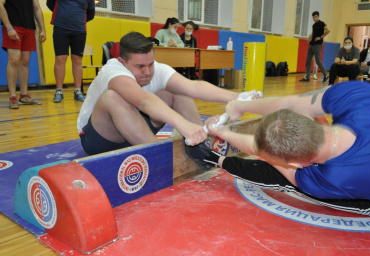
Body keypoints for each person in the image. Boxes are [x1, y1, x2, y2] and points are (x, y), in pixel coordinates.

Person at [198, 81, 370, 217]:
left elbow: (261, 151)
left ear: (298, 164)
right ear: (305, 118)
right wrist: (240, 107)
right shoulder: (357, 94)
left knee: (280, 176)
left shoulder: (333, 179)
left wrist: (223, 133)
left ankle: (214, 159)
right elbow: (289, 103)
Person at [77, 31, 259, 168]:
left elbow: (193, 86)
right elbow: (143, 101)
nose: (147, 72)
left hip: (134, 128)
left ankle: (200, 147)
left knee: (176, 91)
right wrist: (184, 125)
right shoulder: (114, 70)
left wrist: (237, 98)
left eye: (150, 64)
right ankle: (160, 156)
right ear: (123, 62)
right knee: (112, 98)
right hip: (100, 138)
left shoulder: (155, 69)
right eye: (140, 66)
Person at [46, 0, 96, 103]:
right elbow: (50, 4)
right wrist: (63, 16)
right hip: (60, 28)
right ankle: (59, 91)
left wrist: (76, 20)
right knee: (60, 59)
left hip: (79, 30)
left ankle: (78, 91)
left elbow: (91, 13)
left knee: (77, 60)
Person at [0, 0, 46, 109]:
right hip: (13, 26)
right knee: (14, 60)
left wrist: (42, 29)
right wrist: (9, 27)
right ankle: (12, 97)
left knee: (25, 61)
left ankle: (24, 95)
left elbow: (37, 8)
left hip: (29, 27)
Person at [299, 11, 329, 83]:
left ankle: (325, 75)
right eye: (313, 17)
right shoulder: (314, 25)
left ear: (318, 16)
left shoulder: (321, 23)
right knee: (308, 61)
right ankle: (307, 77)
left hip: (317, 45)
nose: (314, 18)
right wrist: (309, 38)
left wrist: (321, 37)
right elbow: (313, 33)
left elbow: (328, 30)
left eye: (315, 17)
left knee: (318, 61)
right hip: (311, 44)